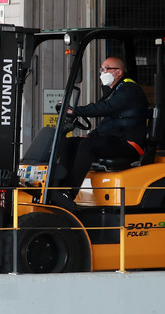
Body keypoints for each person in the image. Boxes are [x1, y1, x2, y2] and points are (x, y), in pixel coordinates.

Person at [51, 56, 149, 211]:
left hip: (130, 144)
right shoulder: (114, 91)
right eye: (101, 69)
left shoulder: (129, 90)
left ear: (118, 72)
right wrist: (92, 134)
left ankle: (69, 192)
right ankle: (58, 187)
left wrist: (76, 110)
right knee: (71, 142)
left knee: (87, 145)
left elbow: (104, 108)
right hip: (116, 140)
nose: (102, 72)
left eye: (106, 69)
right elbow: (109, 121)